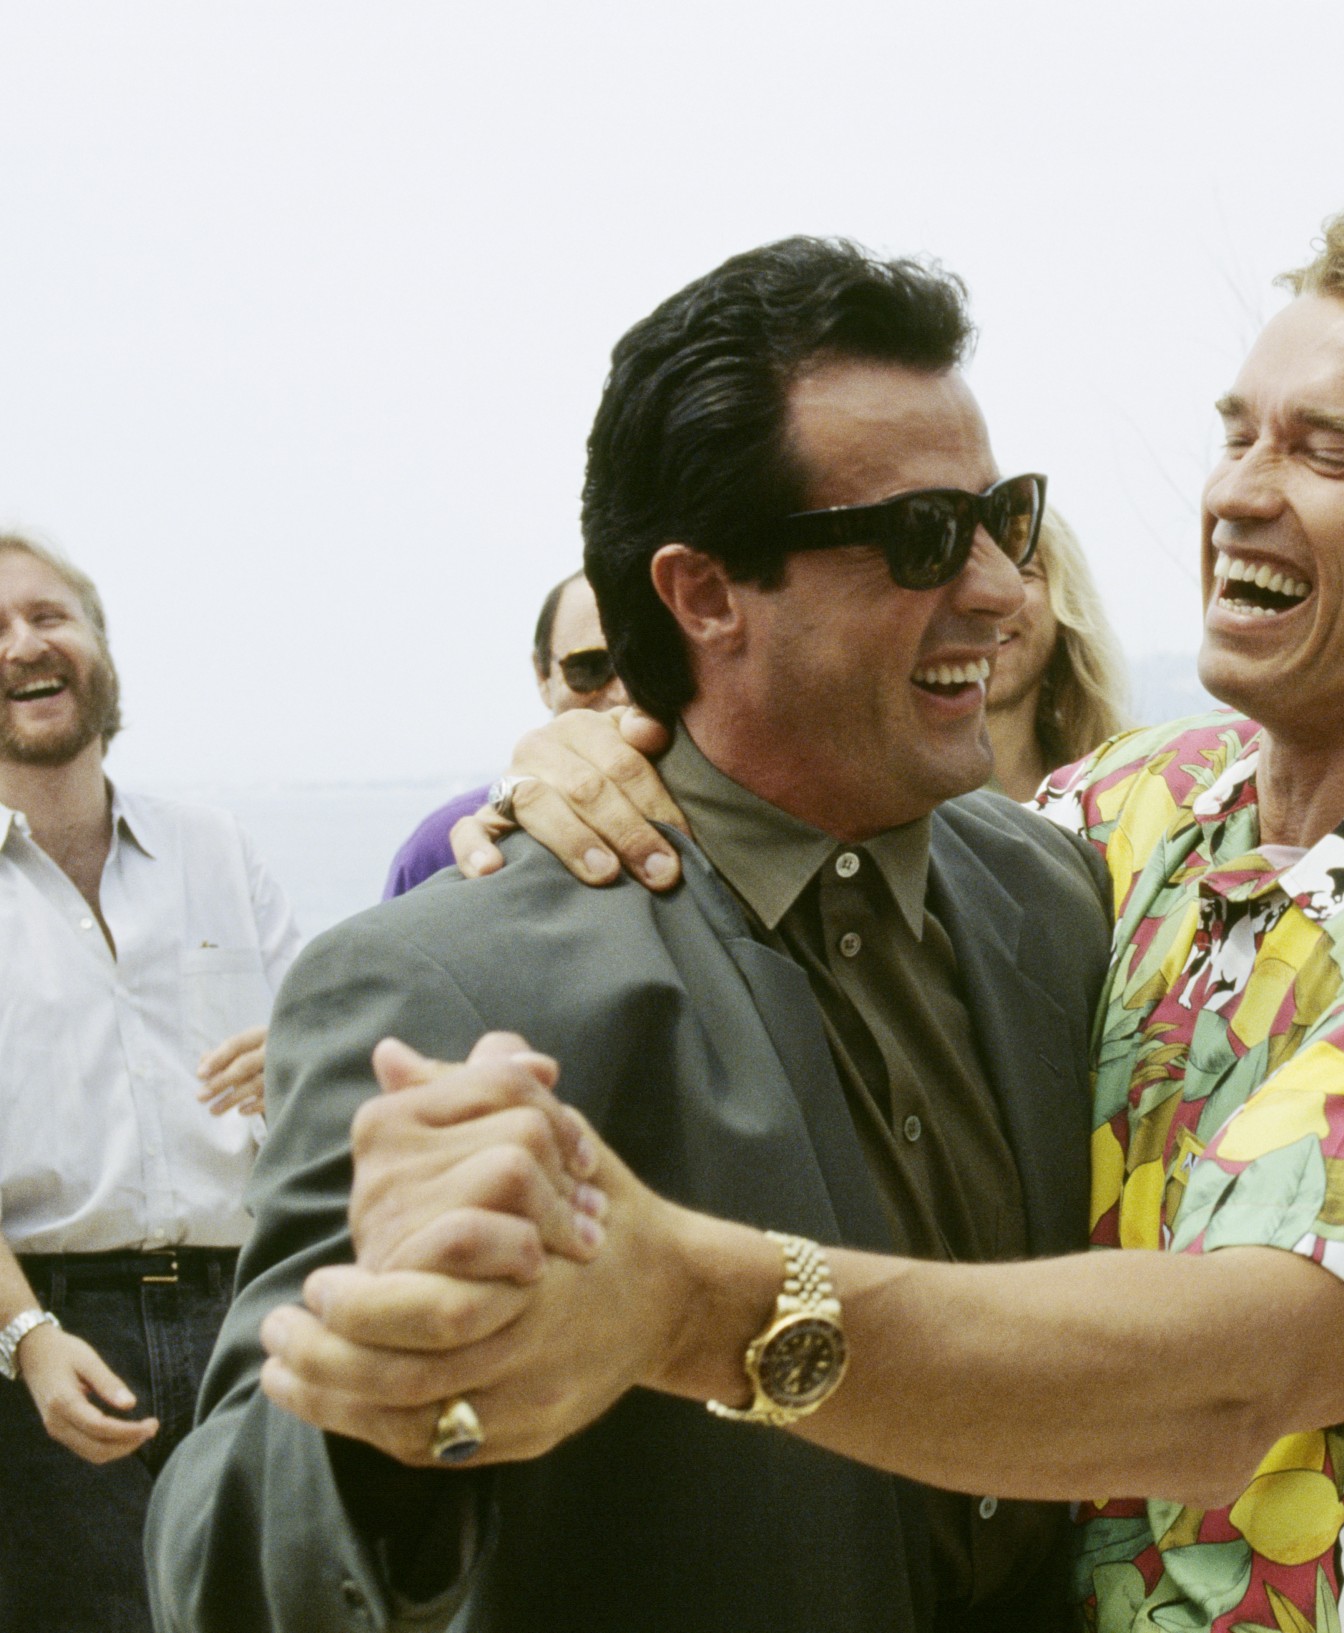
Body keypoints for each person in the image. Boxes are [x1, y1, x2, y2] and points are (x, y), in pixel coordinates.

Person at [214, 213, 1344, 1632]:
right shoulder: (1128, 822)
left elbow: (1223, 1384)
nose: (1238, 490)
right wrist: (600, 744)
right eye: (1238, 432)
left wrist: (681, 1303)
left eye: (1328, 451)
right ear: (703, 592)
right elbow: (247, 1538)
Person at [147, 238, 1116, 1633]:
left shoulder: (1056, 895)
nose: (1005, 593)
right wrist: (400, 1412)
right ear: (704, 594)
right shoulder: (448, 981)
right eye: (921, 536)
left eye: (1002, 518)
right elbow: (221, 1574)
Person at [0, 534, 300, 1633]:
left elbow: (333, 1085)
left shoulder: (216, 849)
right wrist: (29, 1340)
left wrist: (301, 1064)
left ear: (100, 645)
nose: (23, 645)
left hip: (248, 1320)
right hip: (44, 1346)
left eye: (49, 615)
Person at [381, 569, 627, 897]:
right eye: (590, 667)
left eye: (643, 664)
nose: (623, 693)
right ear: (543, 677)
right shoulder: (441, 848)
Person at [984, 507, 1128, 801]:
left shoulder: (1114, 784)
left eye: (1023, 572)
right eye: (963, 577)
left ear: (1064, 605)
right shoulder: (902, 796)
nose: (992, 598)